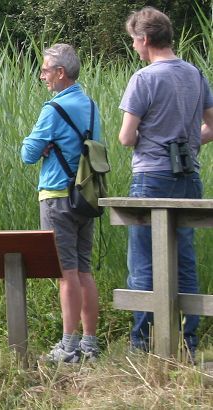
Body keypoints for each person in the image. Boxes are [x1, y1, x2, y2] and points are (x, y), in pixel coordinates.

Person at [118, 7, 213, 357]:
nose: (133, 47)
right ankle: (189, 341)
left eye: (133, 40)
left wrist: (153, 137)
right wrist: (186, 143)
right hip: (188, 175)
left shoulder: (144, 78)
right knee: (183, 258)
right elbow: (211, 126)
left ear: (144, 39)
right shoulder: (194, 73)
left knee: (144, 260)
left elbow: (126, 137)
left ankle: (143, 343)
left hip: (152, 176)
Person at [21, 44, 102, 363]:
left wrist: (41, 146)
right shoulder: (91, 106)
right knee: (84, 270)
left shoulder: (53, 109)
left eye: (44, 70)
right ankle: (89, 344)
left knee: (65, 273)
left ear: (60, 72)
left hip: (57, 197)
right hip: (86, 197)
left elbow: (28, 154)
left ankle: (68, 347)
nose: (42, 75)